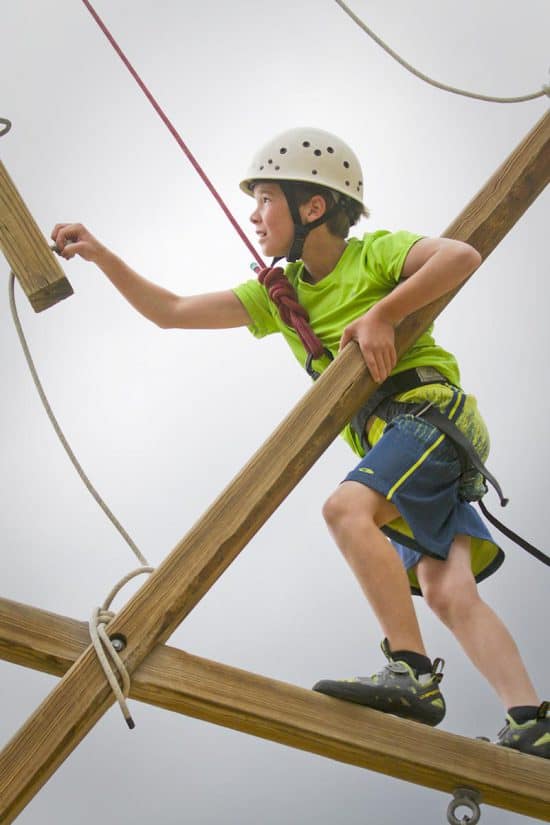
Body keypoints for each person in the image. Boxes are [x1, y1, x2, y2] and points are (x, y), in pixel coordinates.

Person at [51, 126, 548, 758]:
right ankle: (533, 719)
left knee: (346, 508)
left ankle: (413, 674)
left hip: (427, 419)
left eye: (265, 200)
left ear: (312, 207)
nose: (255, 216)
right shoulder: (278, 299)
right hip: (403, 447)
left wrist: (384, 313)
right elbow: (171, 310)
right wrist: (100, 254)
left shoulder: (375, 255)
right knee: (449, 591)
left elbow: (461, 257)